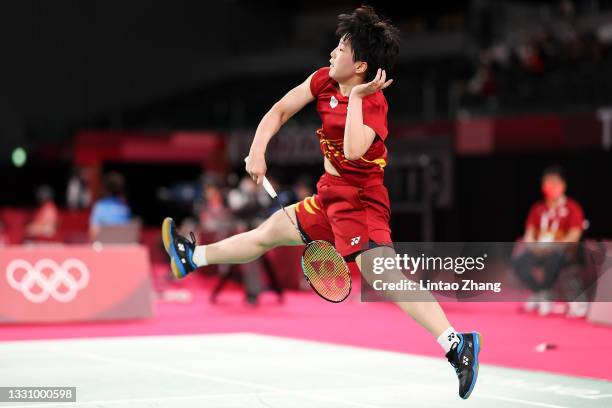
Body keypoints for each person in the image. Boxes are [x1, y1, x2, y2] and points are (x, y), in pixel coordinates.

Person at [161, 6, 481, 399]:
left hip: (361, 201)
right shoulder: (323, 81)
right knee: (270, 233)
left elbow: (351, 148)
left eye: (342, 48)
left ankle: (456, 344)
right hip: (330, 193)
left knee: (383, 276)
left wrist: (359, 98)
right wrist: (257, 149)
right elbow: (279, 111)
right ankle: (193, 256)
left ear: (360, 65)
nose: (332, 53)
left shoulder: (375, 105)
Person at [513, 165, 586, 316]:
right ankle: (540, 293)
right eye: (547, 183)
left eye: (554, 183)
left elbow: (573, 236)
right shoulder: (537, 208)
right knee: (519, 261)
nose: (550, 187)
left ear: (563, 185)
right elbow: (529, 235)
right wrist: (535, 247)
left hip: (563, 252)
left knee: (554, 256)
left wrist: (553, 247)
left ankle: (545, 295)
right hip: (540, 250)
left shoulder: (573, 208)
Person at [89, 172, 132, 239]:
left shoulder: (100, 207)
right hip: (121, 245)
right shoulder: (125, 208)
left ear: (106, 189)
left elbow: (93, 232)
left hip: (104, 247)